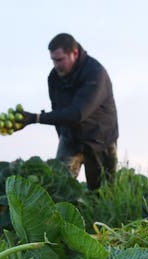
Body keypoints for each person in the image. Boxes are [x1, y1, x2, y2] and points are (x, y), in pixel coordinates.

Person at [20, 33, 119, 190]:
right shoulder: (54, 77)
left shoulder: (95, 73)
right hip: (71, 138)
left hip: (99, 138)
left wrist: (36, 118)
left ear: (74, 53)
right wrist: (63, 135)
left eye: (60, 60)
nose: (56, 65)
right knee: (59, 186)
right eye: (53, 60)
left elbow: (77, 114)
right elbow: (57, 110)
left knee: (101, 192)